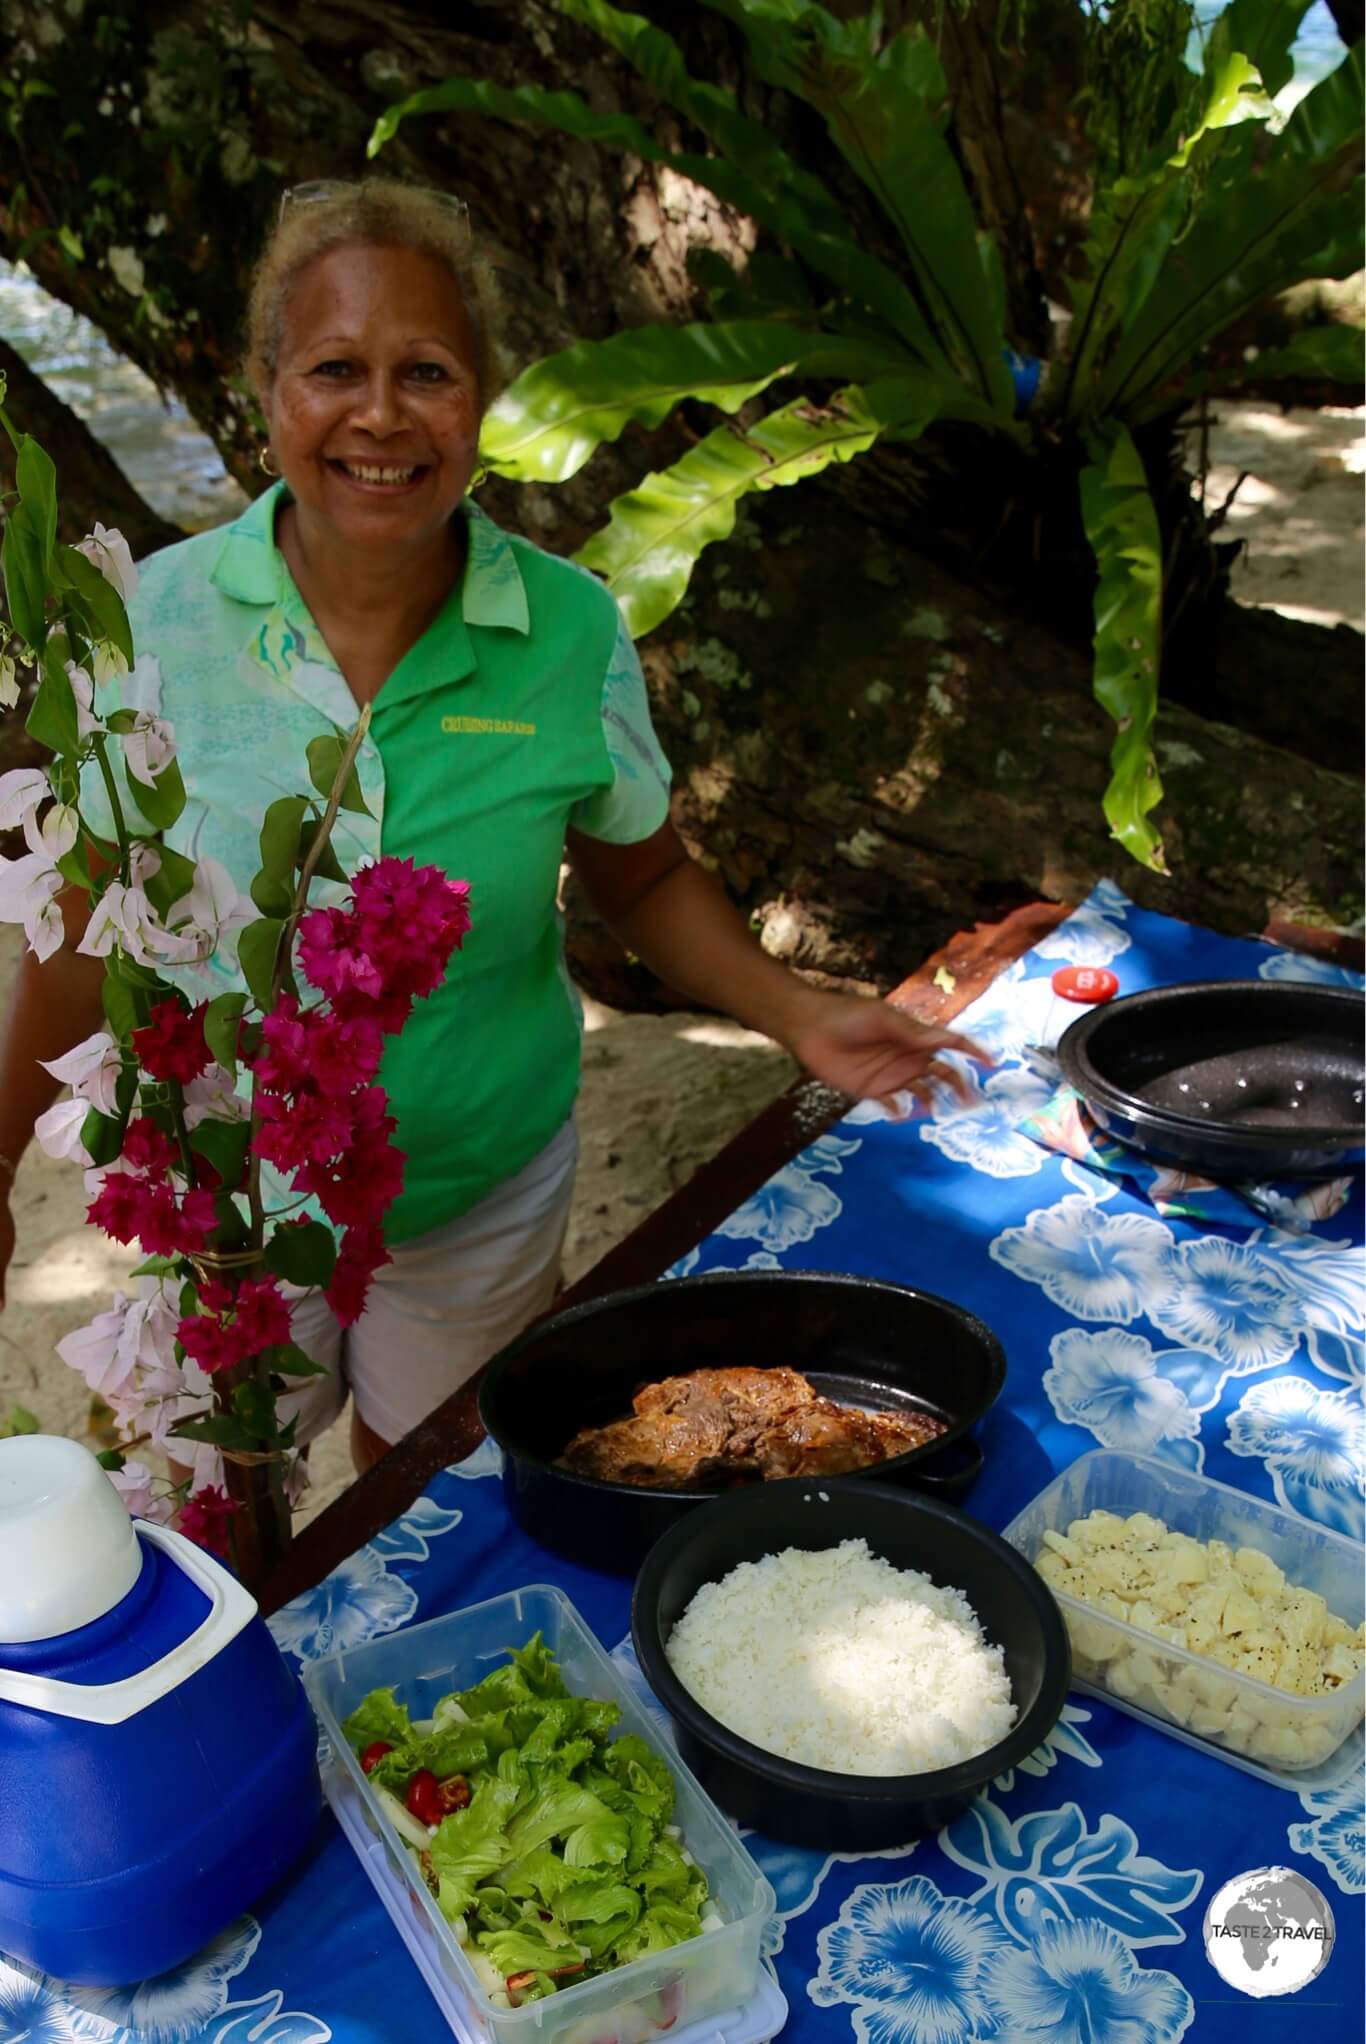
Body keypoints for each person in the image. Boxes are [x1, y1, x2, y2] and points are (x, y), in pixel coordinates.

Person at [0, 178, 983, 1477]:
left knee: (426, 1499)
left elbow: (641, 881)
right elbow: (78, 939)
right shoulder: (145, 630)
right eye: (334, 367)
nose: (380, 416)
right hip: (228, 1206)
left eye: (427, 371)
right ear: (264, 385)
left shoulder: (570, 629)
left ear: (483, 396)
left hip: (482, 1197)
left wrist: (797, 1012)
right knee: (216, 1512)